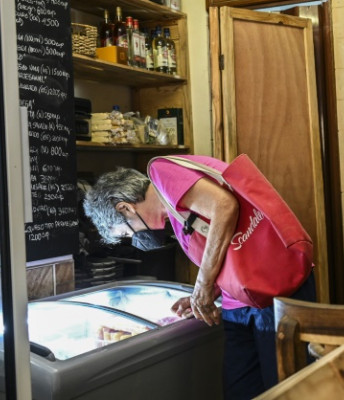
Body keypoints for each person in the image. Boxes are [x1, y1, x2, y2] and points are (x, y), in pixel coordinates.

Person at [83, 155, 315, 399]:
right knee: (241, 390)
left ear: (125, 207)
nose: (135, 239)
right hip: (238, 302)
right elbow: (228, 254)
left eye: (126, 233)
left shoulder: (162, 172)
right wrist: (202, 293)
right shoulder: (175, 215)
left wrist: (203, 286)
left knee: (287, 390)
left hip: (275, 292)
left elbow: (224, 206)